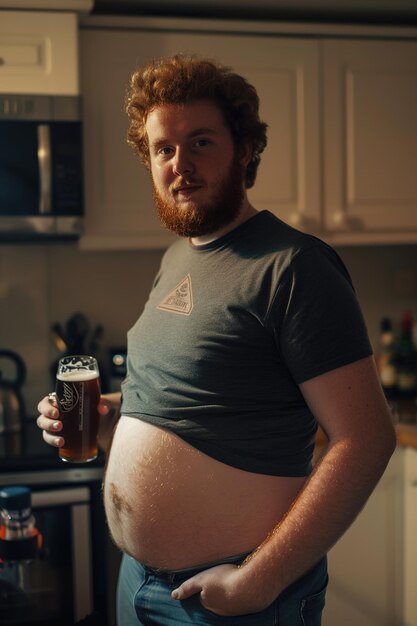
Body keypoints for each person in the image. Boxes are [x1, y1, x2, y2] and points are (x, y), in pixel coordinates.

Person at [37, 54, 396, 626]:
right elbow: (184, 405)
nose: (181, 164)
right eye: (164, 149)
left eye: (200, 141)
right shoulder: (175, 258)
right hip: (137, 585)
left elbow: (366, 438)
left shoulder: (294, 267)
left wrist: (258, 582)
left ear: (245, 148)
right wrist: (109, 422)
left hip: (232, 599)